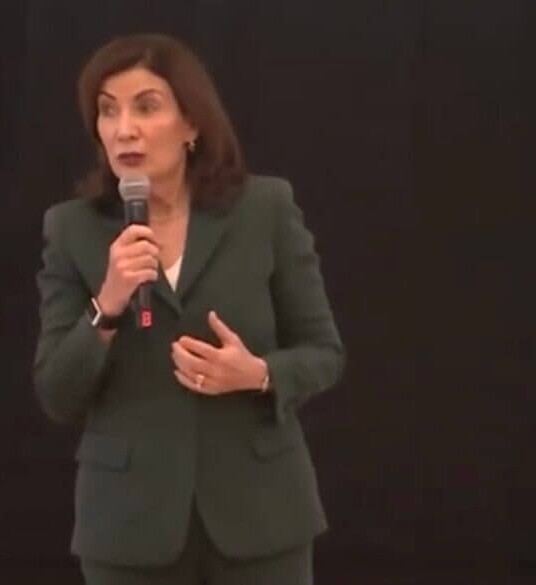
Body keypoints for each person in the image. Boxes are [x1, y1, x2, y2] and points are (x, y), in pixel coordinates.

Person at [33, 33, 344, 585]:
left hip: (261, 515)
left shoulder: (264, 209)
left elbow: (324, 353)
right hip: (129, 524)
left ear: (192, 124)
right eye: (108, 111)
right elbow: (57, 393)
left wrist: (260, 374)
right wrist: (107, 304)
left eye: (146, 106)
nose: (124, 129)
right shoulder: (72, 229)